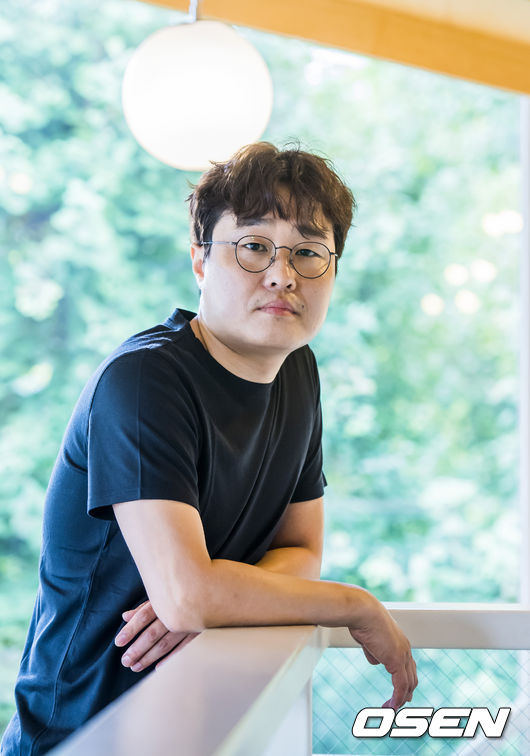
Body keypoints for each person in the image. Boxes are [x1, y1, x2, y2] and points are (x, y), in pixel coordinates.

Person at [1, 142, 417, 755]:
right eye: (253, 246)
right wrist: (353, 606)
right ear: (199, 260)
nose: (283, 274)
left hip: (197, 729)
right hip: (81, 735)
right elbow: (190, 596)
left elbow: (300, 551)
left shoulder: (297, 372)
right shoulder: (144, 381)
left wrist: (217, 599)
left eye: (308, 252)